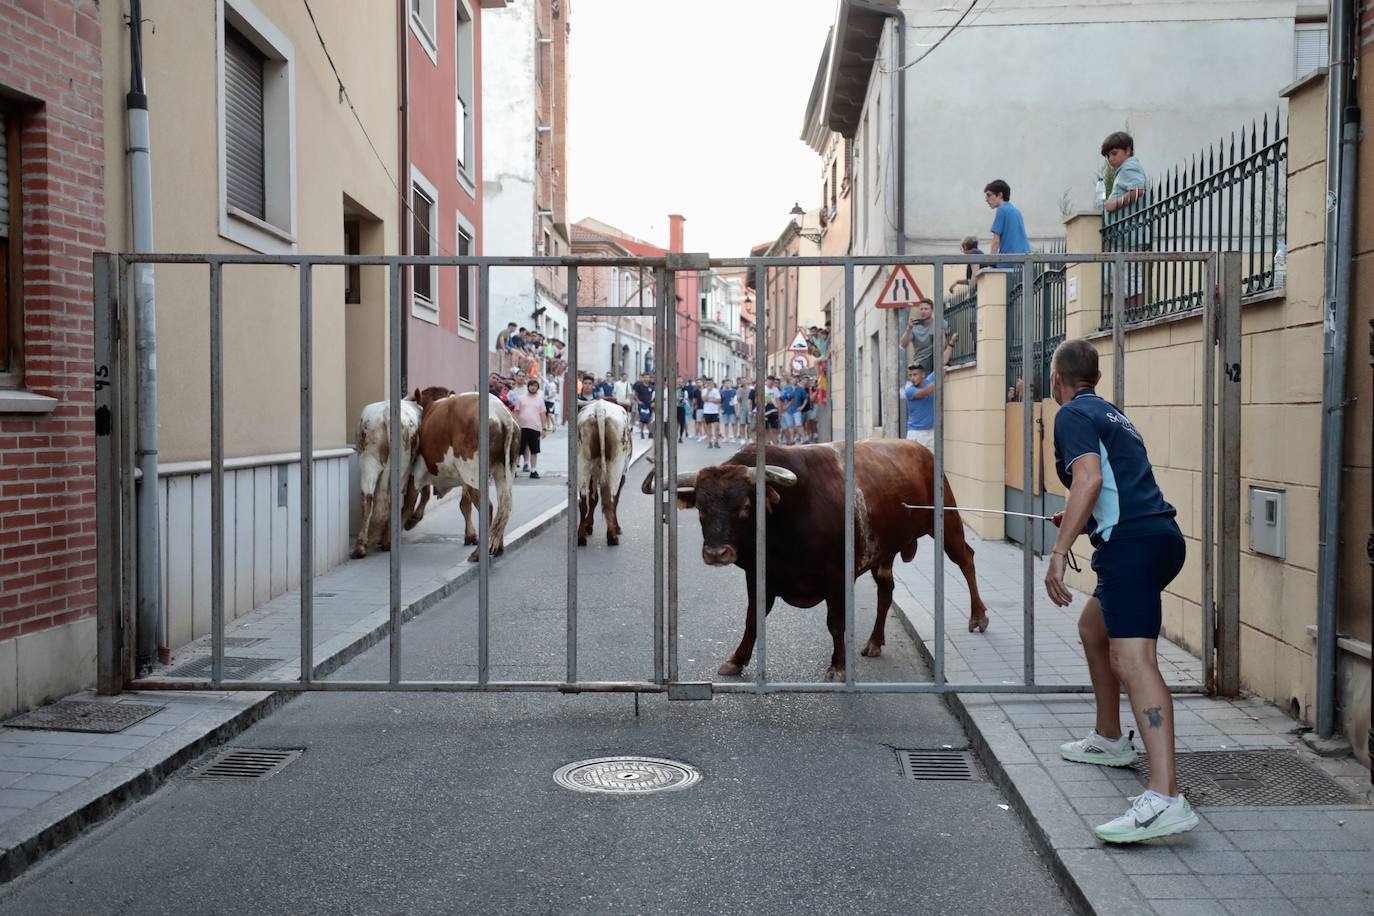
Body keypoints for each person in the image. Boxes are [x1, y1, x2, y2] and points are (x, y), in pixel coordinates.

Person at [1044, 338, 1195, 844]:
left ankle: (1165, 796)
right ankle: (1110, 737)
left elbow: (1086, 481)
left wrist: (1059, 553)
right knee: (1094, 627)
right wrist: (1079, 522)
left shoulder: (1070, 415)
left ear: (1056, 379)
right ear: (1097, 378)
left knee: (1135, 661)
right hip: (1154, 537)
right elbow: (1112, 490)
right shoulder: (1111, 413)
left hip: (1134, 545)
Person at [1101, 131, 1150, 311]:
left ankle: (1132, 316)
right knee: (1116, 276)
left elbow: (1139, 191)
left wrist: (1116, 203)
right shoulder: (1124, 170)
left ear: (1128, 150)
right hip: (1123, 235)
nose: (1110, 159)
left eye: (1114, 153)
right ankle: (1117, 318)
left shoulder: (1130, 167)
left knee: (1129, 277)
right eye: (1107, 156)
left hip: (1130, 233)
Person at [899, 298, 957, 373]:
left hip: (937, 362)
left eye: (926, 309)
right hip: (920, 365)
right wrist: (908, 329)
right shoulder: (914, 327)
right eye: (921, 309)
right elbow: (903, 345)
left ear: (932, 310)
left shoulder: (940, 323)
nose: (923, 311)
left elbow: (943, 344)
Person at [984, 179, 1031, 268]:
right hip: (1024, 261)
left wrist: (991, 262)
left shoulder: (1001, 210)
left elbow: (996, 241)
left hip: (1008, 262)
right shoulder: (1016, 211)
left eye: (989, 195)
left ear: (1000, 195)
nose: (986, 199)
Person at [512, 378, 547, 478]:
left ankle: (533, 470)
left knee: (534, 450)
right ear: (528, 387)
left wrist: (544, 428)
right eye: (531, 385)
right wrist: (515, 425)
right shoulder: (521, 398)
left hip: (535, 428)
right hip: (521, 427)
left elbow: (543, 414)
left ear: (537, 388)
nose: (532, 387)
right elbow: (516, 412)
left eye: (535, 386)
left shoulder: (540, 400)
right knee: (518, 450)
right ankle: (514, 470)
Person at [902, 364, 935, 449]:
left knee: (931, 461)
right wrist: (939, 377)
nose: (912, 378)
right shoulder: (909, 390)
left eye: (915, 374)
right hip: (916, 433)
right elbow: (925, 392)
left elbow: (941, 362)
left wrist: (951, 349)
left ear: (923, 375)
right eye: (910, 375)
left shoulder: (929, 381)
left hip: (931, 431)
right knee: (913, 462)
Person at [701, 378, 723, 448]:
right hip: (707, 411)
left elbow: (719, 400)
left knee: (717, 427)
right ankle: (710, 442)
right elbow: (704, 399)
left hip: (715, 411)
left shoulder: (716, 391)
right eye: (708, 383)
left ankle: (716, 442)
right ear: (706, 384)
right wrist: (708, 391)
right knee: (709, 428)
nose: (710, 384)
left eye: (711, 383)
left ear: (713, 383)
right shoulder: (704, 391)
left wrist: (709, 400)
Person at [632, 372, 655, 439]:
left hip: (649, 404)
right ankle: (642, 432)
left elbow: (654, 395)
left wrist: (653, 402)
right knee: (642, 419)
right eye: (645, 377)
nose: (647, 379)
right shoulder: (639, 386)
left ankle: (650, 432)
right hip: (642, 404)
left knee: (649, 418)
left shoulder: (651, 386)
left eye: (648, 377)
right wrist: (638, 401)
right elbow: (635, 394)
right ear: (643, 378)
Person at [720, 378, 738, 442]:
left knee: (733, 424)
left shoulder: (734, 391)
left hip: (732, 410)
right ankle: (726, 437)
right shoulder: (722, 392)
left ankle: (734, 437)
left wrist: (737, 411)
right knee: (726, 424)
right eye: (726, 383)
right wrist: (721, 409)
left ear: (731, 384)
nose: (727, 384)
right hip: (725, 410)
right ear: (724, 384)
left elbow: (737, 401)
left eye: (729, 383)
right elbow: (721, 401)